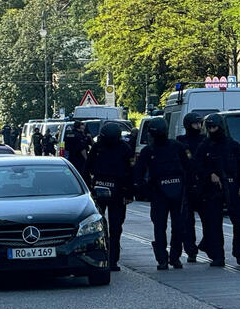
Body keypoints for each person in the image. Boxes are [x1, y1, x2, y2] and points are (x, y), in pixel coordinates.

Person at [134, 117, 191, 270]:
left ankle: (163, 259)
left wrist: (144, 190)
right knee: (176, 226)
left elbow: (138, 174)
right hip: (173, 193)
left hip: (160, 194)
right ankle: (174, 258)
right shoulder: (177, 147)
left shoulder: (149, 150)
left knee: (161, 227)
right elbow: (189, 168)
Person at [195, 114, 240, 266]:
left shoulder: (233, 145)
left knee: (239, 222)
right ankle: (218, 256)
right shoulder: (204, 146)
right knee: (213, 224)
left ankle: (239, 252)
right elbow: (196, 166)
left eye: (215, 127)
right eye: (210, 127)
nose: (212, 130)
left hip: (233, 186)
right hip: (213, 189)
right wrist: (209, 174)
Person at [86, 122, 133, 271]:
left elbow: (87, 168)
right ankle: (111, 259)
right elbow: (131, 172)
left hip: (109, 190)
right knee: (113, 227)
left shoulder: (99, 147)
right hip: (114, 191)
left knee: (110, 226)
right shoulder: (122, 148)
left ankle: (108, 258)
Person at [176, 113, 206, 262]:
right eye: (196, 124)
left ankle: (206, 243)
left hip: (203, 184)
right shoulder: (180, 142)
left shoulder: (204, 140)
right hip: (187, 185)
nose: (199, 127)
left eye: (200, 124)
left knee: (209, 219)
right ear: (188, 125)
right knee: (187, 222)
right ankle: (190, 250)